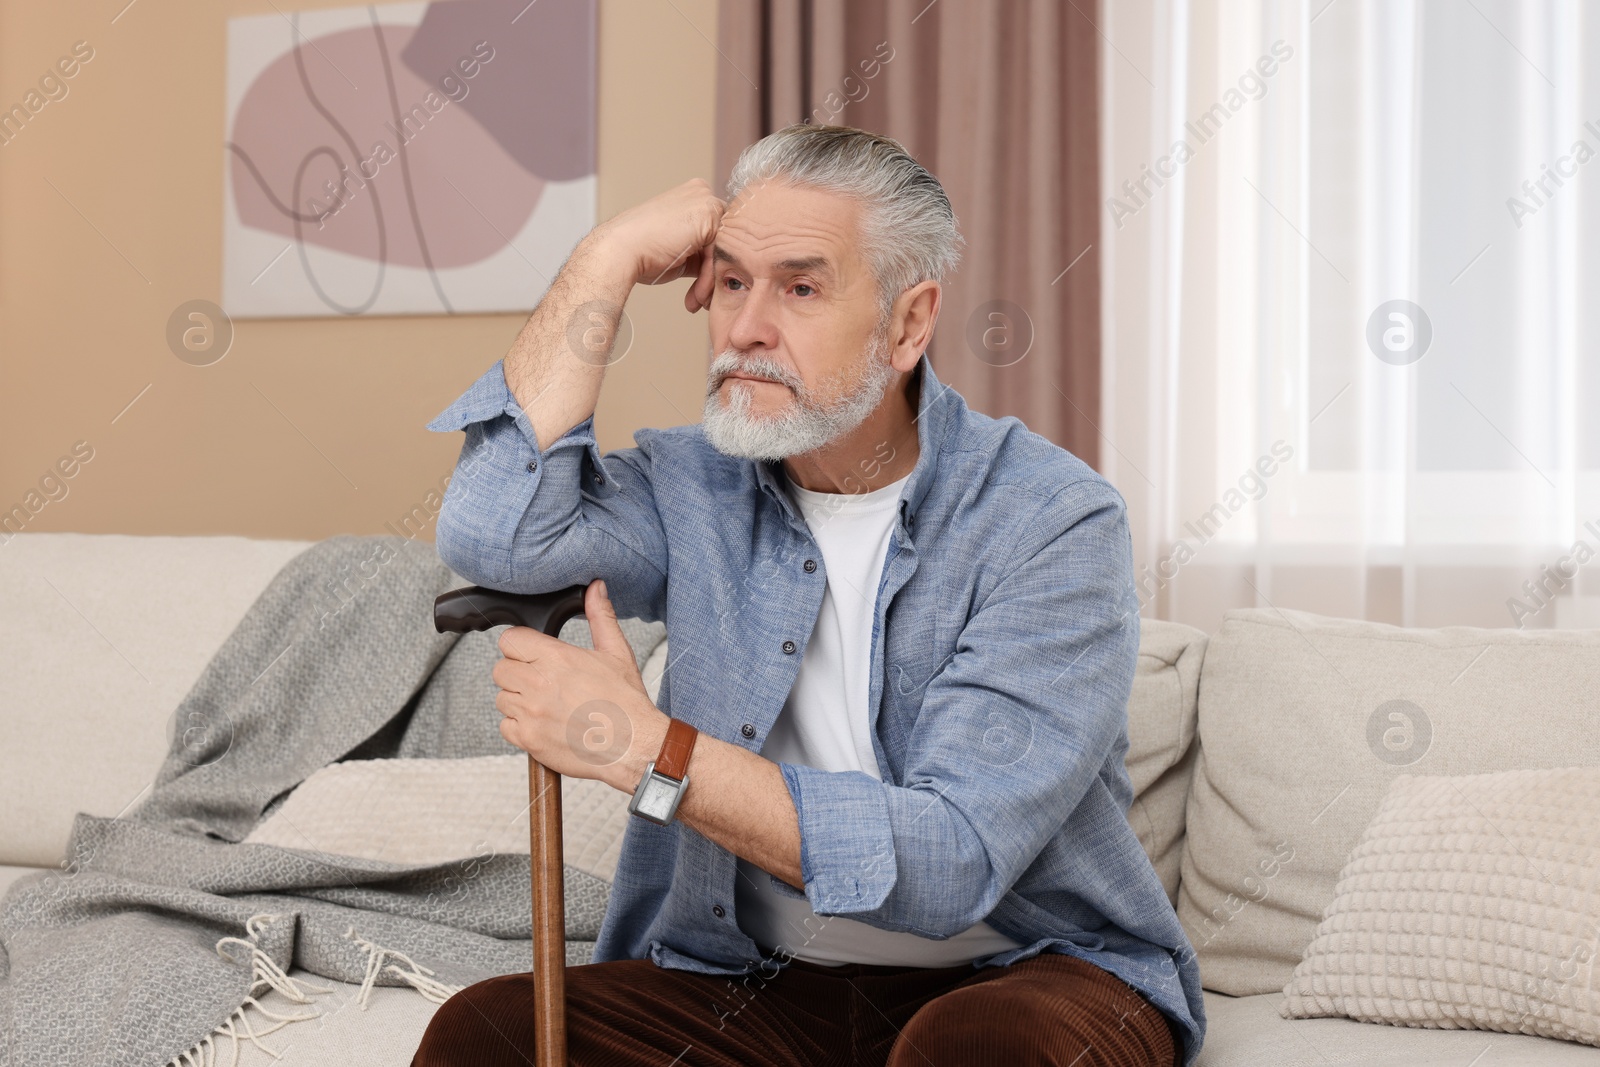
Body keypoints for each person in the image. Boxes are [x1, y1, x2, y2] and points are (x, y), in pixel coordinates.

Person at [411, 123, 1203, 1067]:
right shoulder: (692, 487)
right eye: (732, 281)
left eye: (800, 286)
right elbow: (495, 530)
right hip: (758, 979)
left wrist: (646, 748)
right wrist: (605, 258)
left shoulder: (1050, 519)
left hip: (1024, 968)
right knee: (485, 1037)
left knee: (980, 1049)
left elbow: (951, 862)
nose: (745, 327)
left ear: (908, 324)